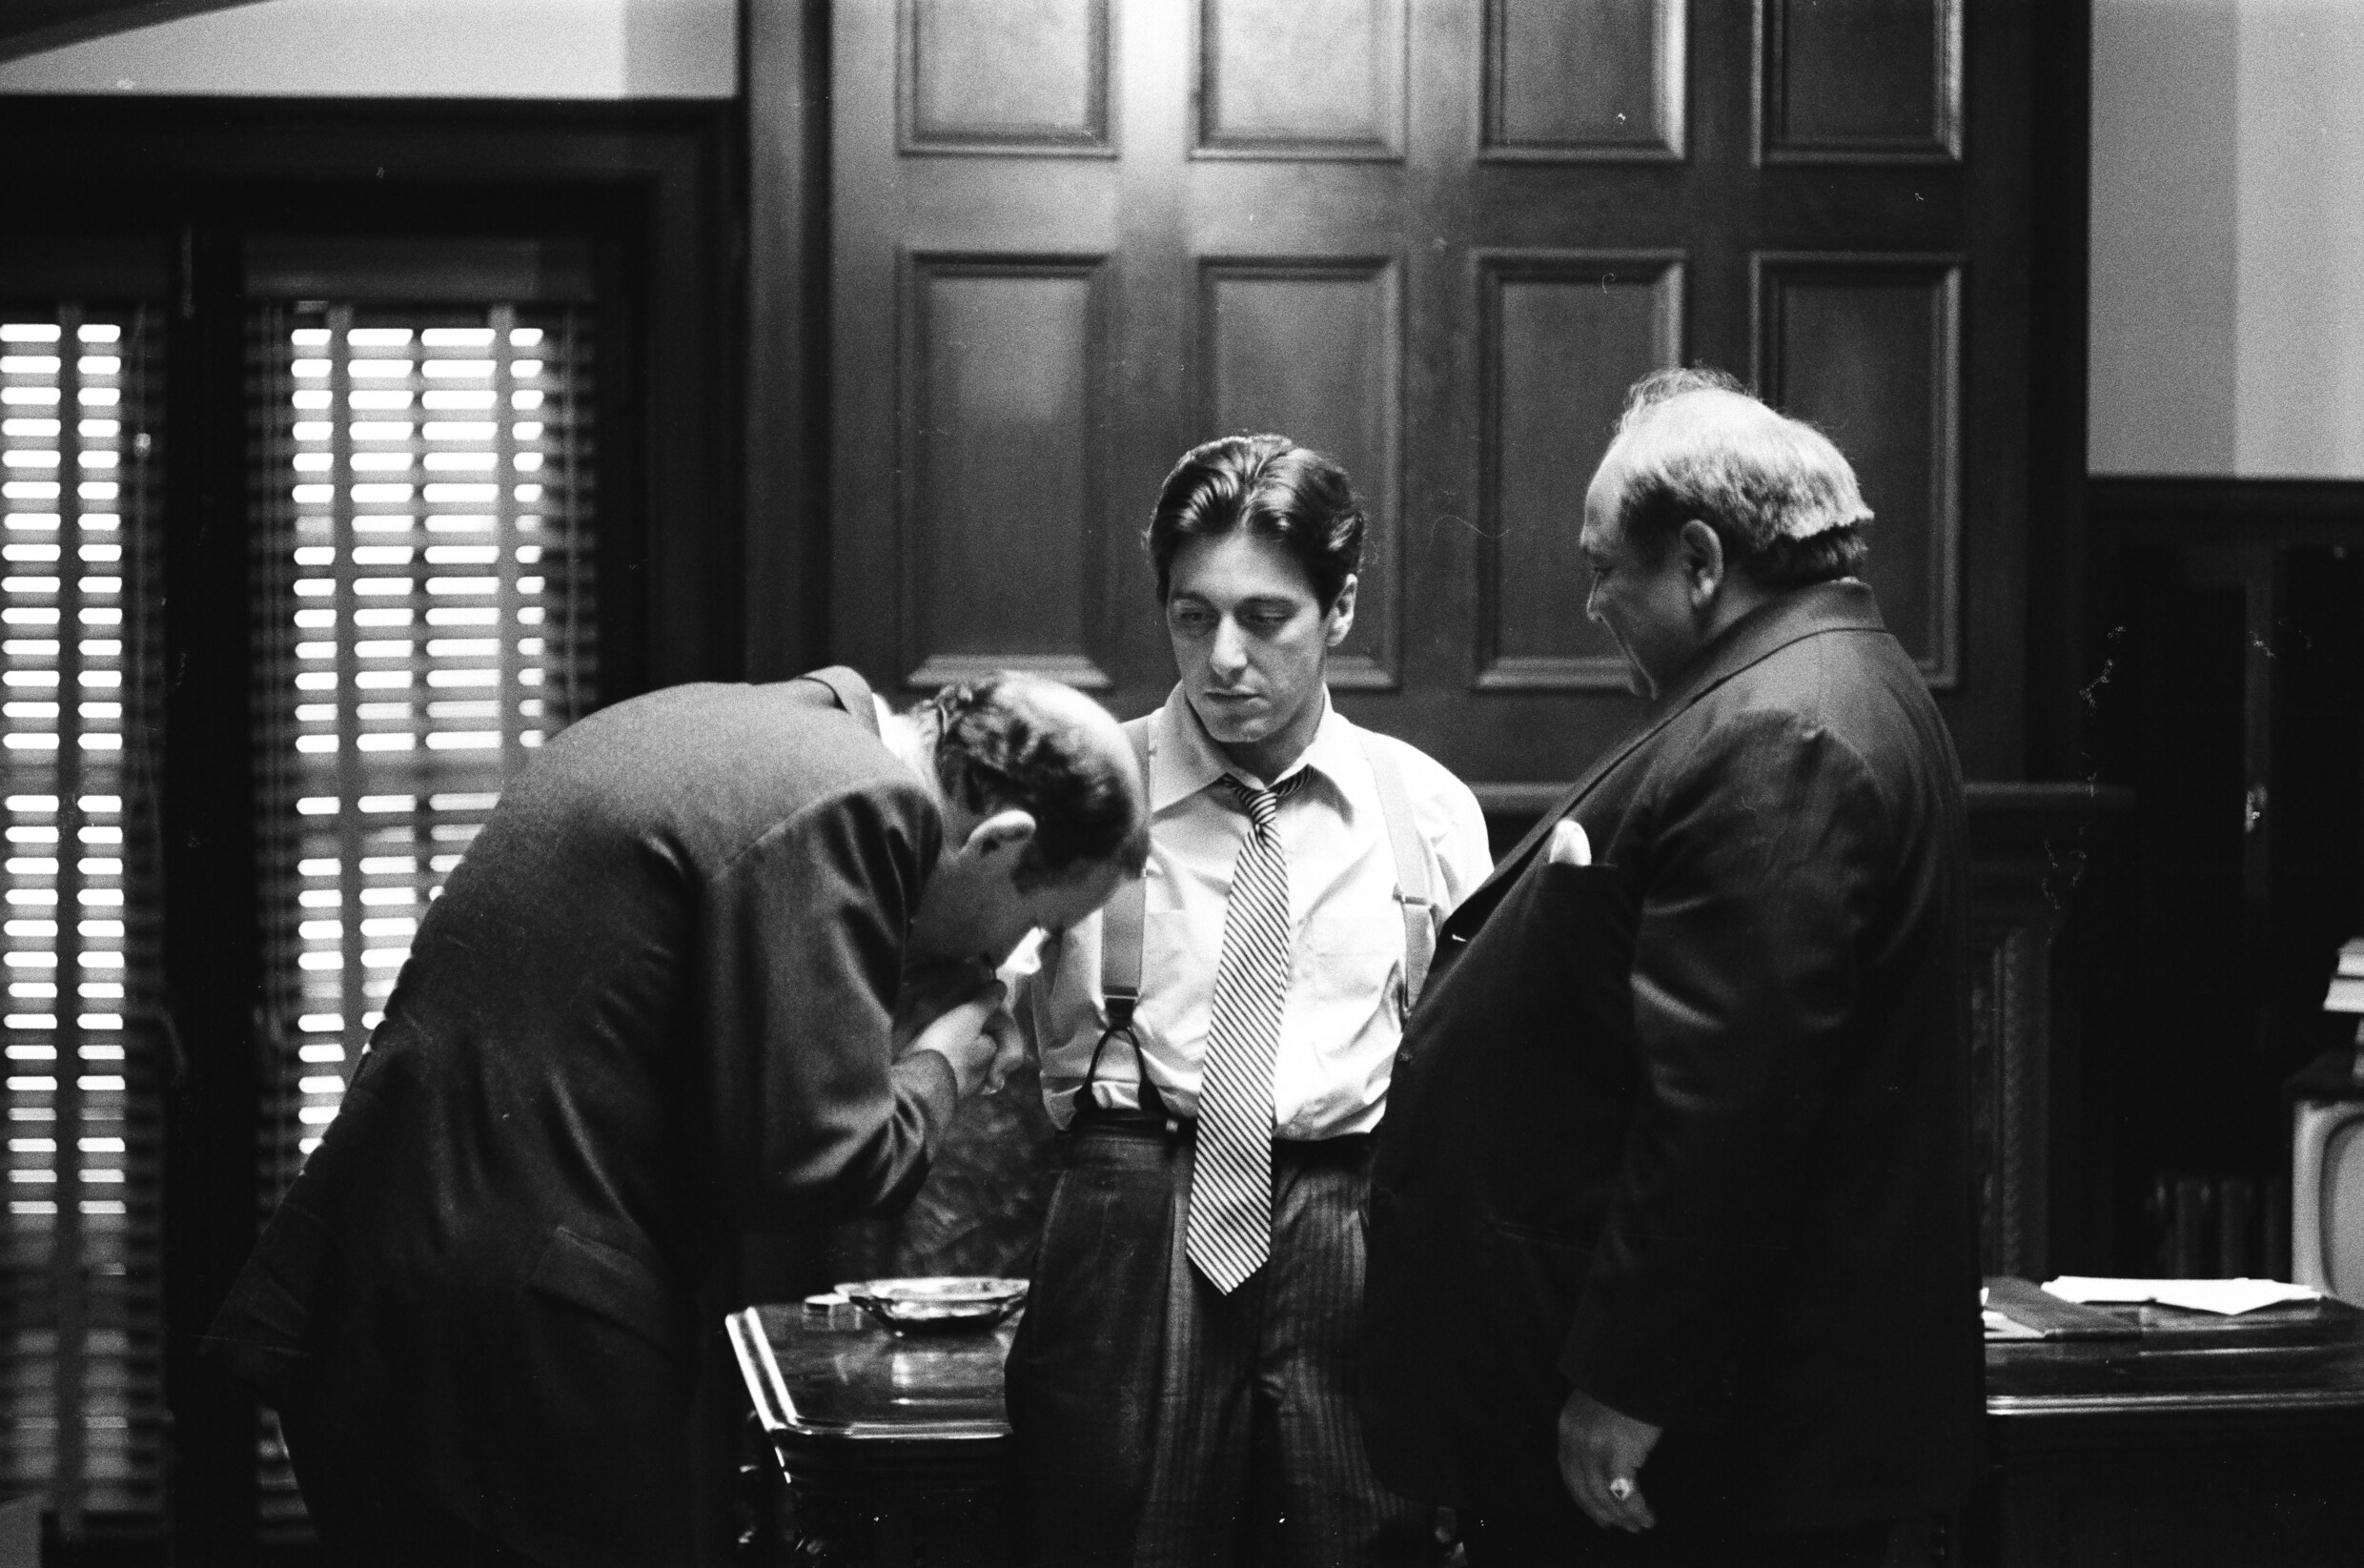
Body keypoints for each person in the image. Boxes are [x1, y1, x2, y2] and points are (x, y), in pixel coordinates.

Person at [203, 666, 1148, 1568]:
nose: (1011, 953)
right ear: (999, 842)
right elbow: (819, 1160)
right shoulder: (857, 801)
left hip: (380, 1308)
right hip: (510, 1356)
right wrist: (947, 1060)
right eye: (1034, 924)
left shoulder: (759, 732)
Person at [1360, 370, 1982, 1567]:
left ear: (1698, 560)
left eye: (1604, 568)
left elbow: (1724, 1109)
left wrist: (1626, 1383)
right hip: (1750, 1429)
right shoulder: (1821, 681)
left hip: (1718, 1457)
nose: (1590, 602)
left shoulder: (1778, 728)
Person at [1004, 435, 1494, 1567]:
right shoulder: (1084, 794)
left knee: (1362, 1541)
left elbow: (1472, 1082)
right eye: (1192, 617)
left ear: (1340, 608)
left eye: (1264, 618)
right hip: (1138, 1211)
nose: (1222, 659)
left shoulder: (1423, 811)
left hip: (1349, 1222)